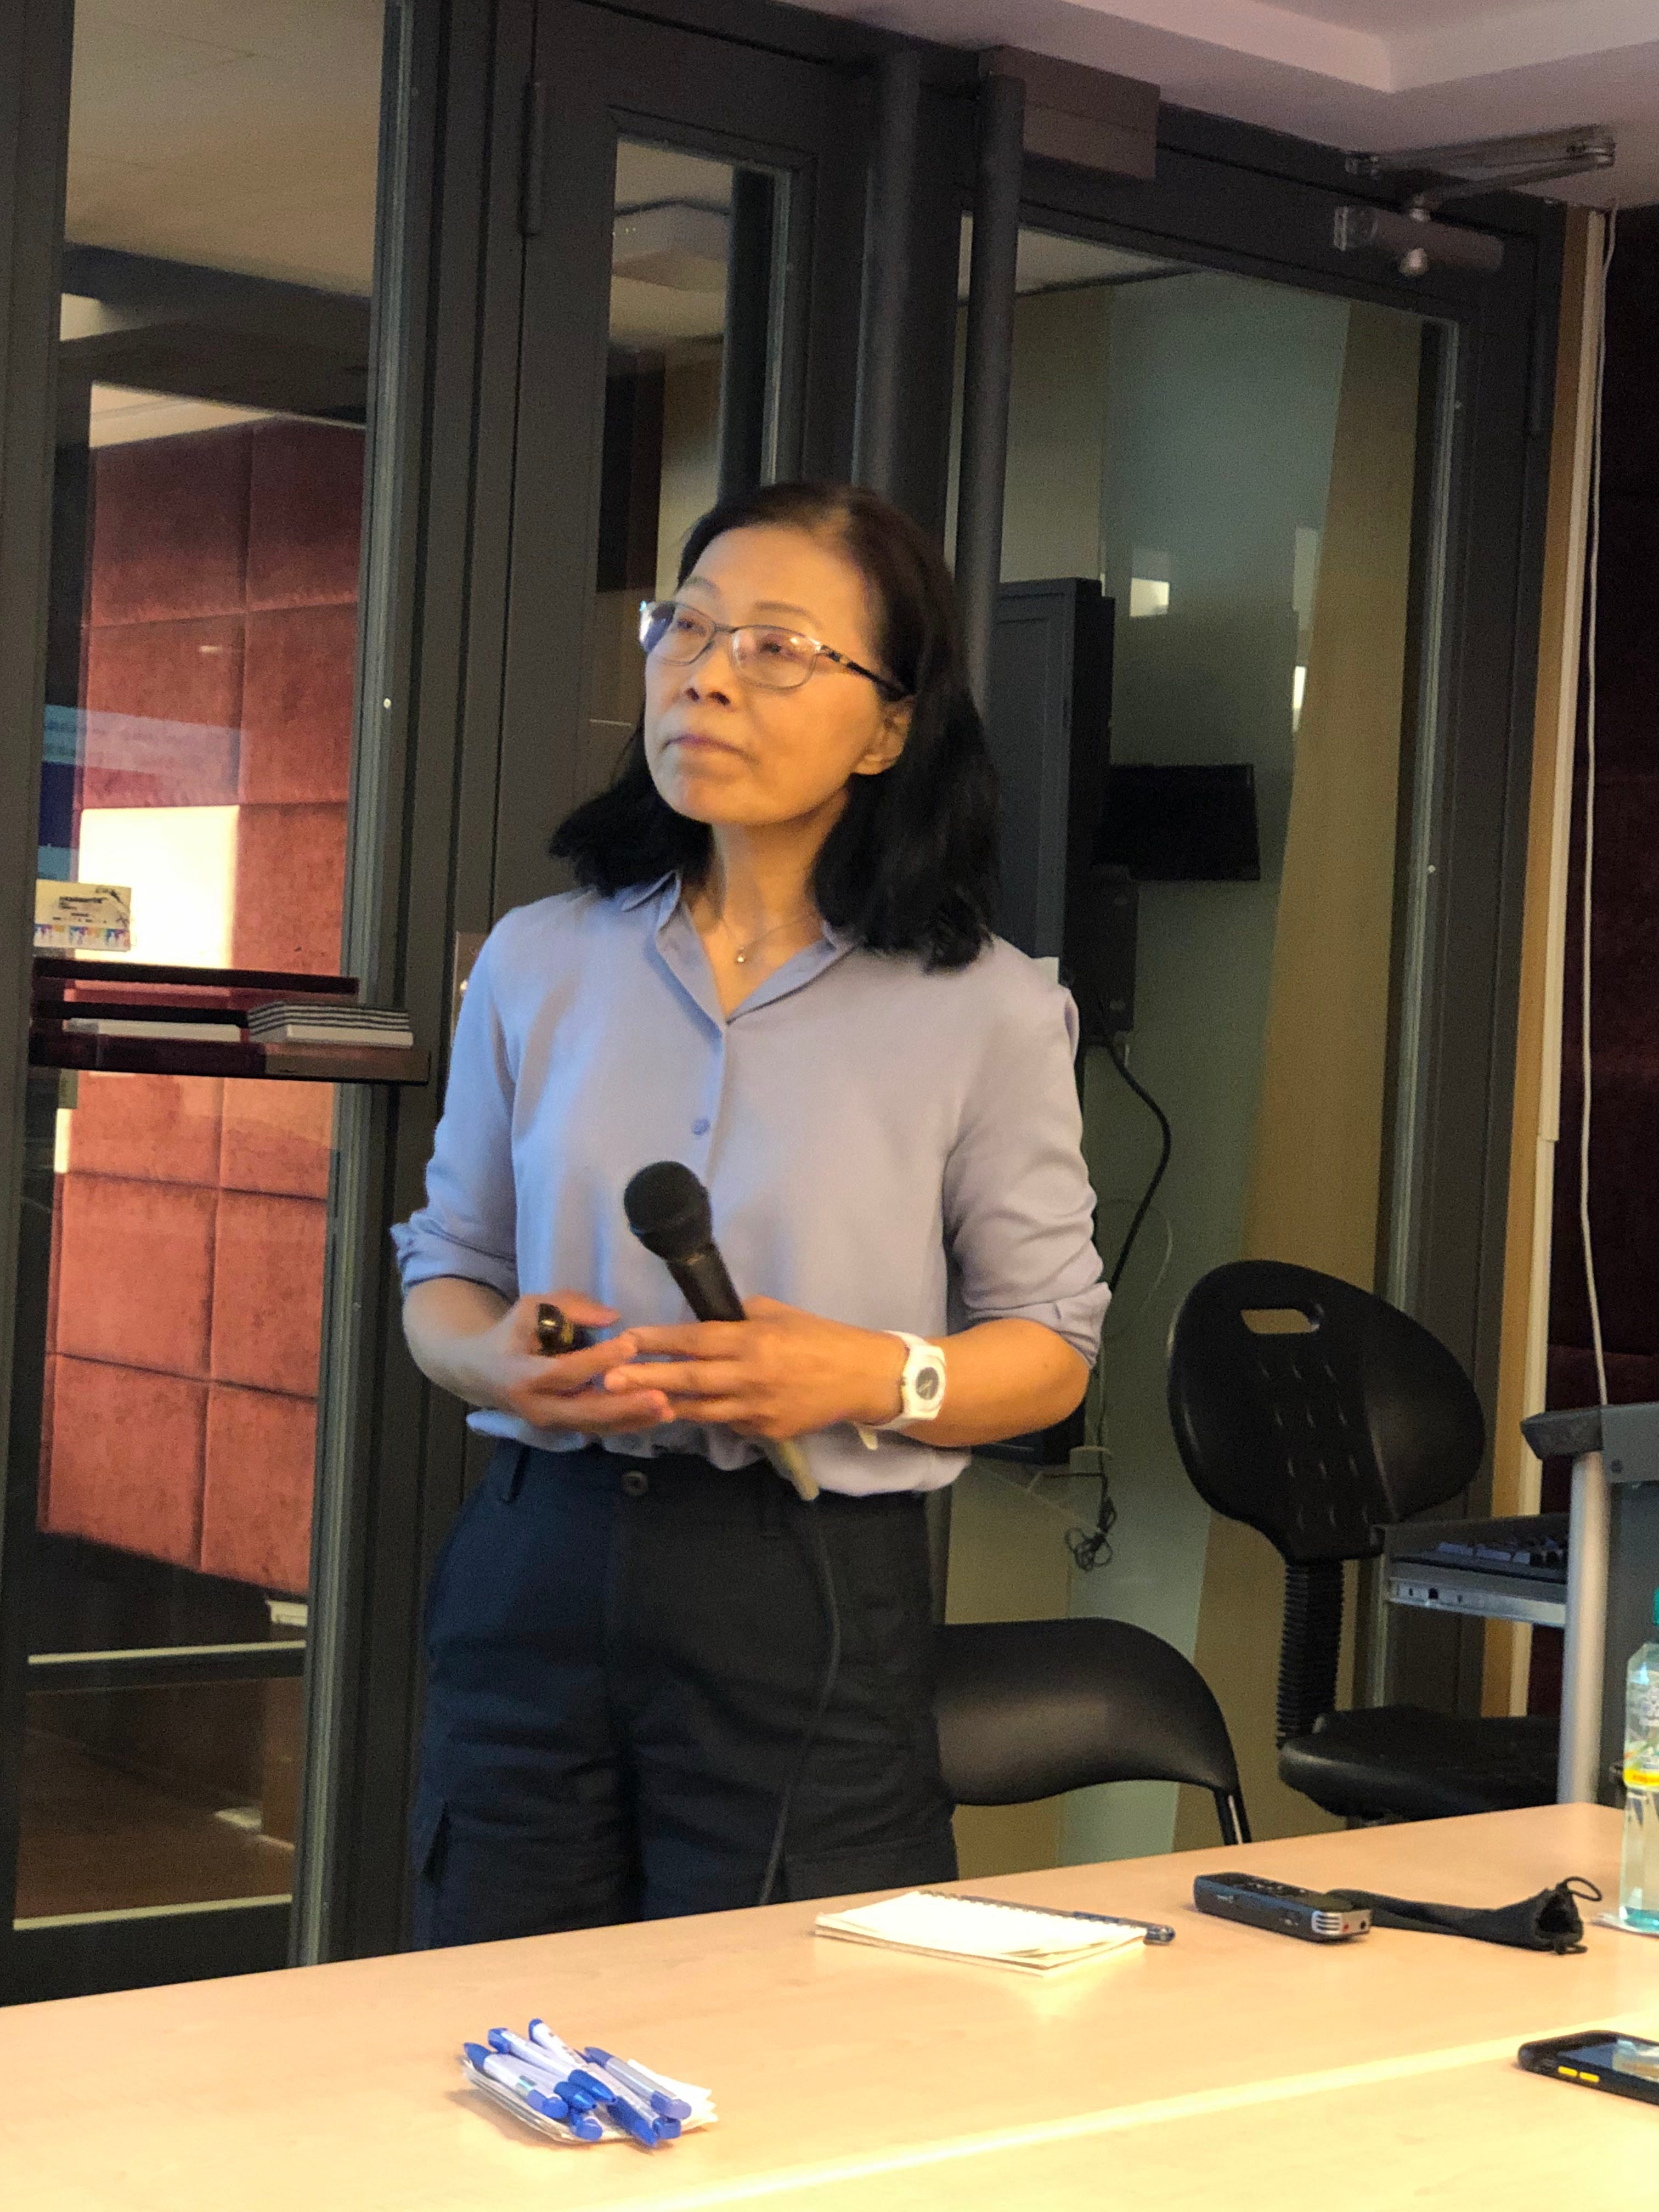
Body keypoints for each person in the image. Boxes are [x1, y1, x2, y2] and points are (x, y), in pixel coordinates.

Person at [393, 481, 1108, 1945]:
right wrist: (496, 1362)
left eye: (777, 647)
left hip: (805, 1583)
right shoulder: (538, 960)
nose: (707, 675)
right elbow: (447, 1273)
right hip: (539, 1557)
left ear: (888, 727)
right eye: (688, 627)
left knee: (789, 2026)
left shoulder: (988, 1008)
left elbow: (1051, 1351)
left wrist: (870, 1375)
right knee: (495, 2013)